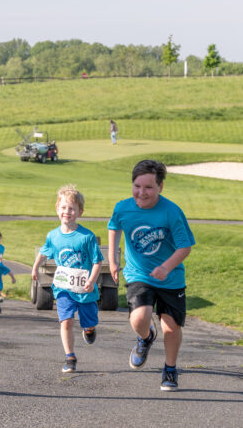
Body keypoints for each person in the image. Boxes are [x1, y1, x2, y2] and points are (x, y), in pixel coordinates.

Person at [108, 159, 195, 391]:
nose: (141, 192)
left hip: (171, 278)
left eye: (148, 187)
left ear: (160, 187)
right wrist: (113, 260)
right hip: (139, 274)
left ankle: (170, 368)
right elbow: (114, 226)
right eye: (137, 186)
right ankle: (146, 337)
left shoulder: (172, 212)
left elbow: (185, 246)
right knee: (139, 318)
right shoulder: (123, 207)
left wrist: (166, 267)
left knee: (171, 327)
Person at [31, 184, 103, 373]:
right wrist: (35, 267)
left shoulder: (86, 237)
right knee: (66, 321)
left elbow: (97, 261)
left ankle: (89, 330)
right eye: (63, 207)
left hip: (85, 289)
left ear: (80, 211)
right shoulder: (53, 236)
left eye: (71, 208)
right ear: (57, 209)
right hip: (63, 288)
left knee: (89, 322)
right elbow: (44, 252)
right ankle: (70, 356)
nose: (67, 212)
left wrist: (92, 280)